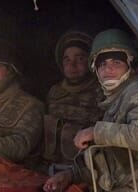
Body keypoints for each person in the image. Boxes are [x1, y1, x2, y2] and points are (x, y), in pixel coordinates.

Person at [44, 28, 138, 192]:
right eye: (102, 64)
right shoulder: (116, 98)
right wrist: (70, 175)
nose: (108, 69)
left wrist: (94, 132)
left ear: (129, 65)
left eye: (117, 63)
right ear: (95, 69)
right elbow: (108, 159)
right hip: (121, 185)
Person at [39, 30, 101, 170]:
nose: (72, 65)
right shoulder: (54, 92)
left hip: (85, 169)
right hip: (49, 166)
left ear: (91, 61)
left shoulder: (101, 93)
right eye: (67, 59)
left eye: (80, 59)